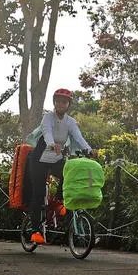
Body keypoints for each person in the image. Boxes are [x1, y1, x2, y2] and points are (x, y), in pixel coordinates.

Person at [26, 87, 94, 244]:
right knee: (38, 193)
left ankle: (58, 200)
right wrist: (52, 144)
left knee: (69, 174)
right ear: (54, 102)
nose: (60, 104)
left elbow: (79, 137)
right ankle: (35, 231)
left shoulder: (70, 122)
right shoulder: (47, 117)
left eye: (64, 102)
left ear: (68, 104)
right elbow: (47, 131)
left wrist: (89, 151)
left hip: (56, 159)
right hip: (39, 160)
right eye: (58, 101)